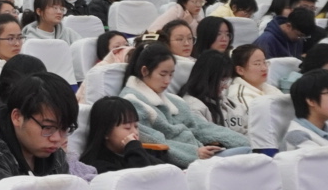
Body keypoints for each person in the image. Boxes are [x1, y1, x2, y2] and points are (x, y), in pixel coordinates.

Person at [119, 42, 247, 167]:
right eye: (163, 74)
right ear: (145, 71)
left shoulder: (174, 100)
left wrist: (243, 142)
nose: (167, 81)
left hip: (200, 155)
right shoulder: (131, 102)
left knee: (246, 152)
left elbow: (202, 127)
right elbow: (153, 140)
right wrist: (193, 153)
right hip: (175, 163)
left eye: (171, 74)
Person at [80, 95, 165, 175]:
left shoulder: (136, 153)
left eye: (136, 126)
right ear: (106, 132)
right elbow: (141, 177)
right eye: (127, 127)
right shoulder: (98, 166)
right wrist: (133, 147)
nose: (135, 132)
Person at [223, 44, 280, 135]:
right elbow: (262, 124)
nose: (264, 68)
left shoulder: (267, 87)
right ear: (240, 70)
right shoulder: (238, 95)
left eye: (265, 62)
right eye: (257, 64)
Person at [177, 49, 235, 127]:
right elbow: (205, 133)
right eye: (222, 80)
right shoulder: (193, 107)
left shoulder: (228, 103)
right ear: (207, 77)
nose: (226, 86)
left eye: (227, 80)